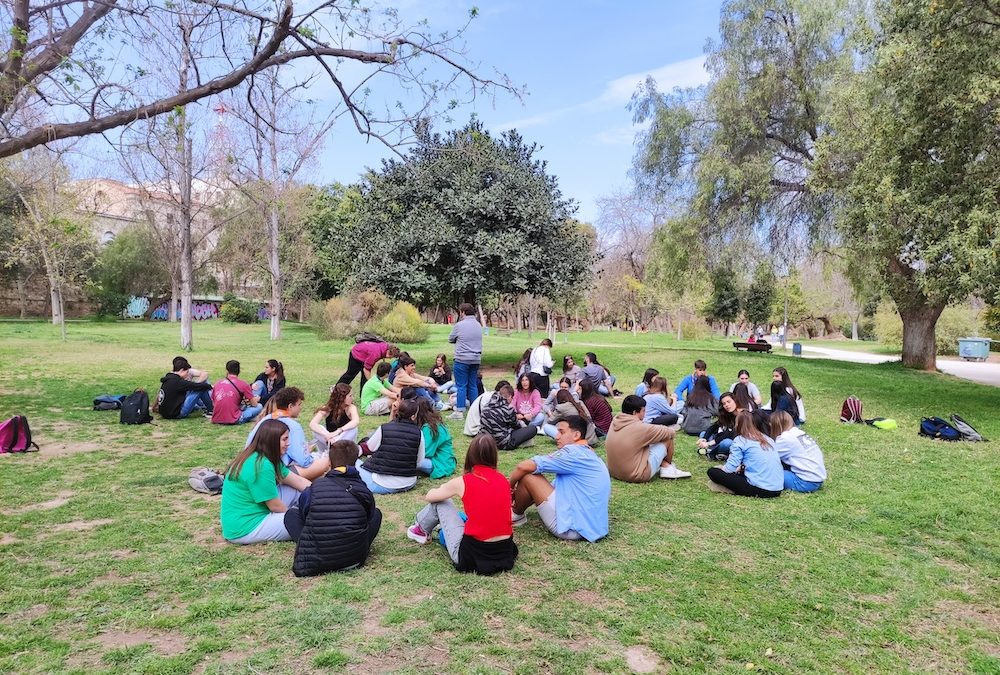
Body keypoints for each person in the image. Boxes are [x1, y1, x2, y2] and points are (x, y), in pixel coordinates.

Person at [406, 434, 518, 574]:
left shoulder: (464, 481)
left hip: (472, 555)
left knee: (442, 501)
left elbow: (430, 496)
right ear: (494, 455)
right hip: (504, 551)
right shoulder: (503, 480)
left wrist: (442, 488)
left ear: (470, 455)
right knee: (465, 516)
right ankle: (425, 529)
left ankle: (420, 529)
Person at [284, 440, 381, 575]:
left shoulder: (314, 488)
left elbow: (305, 513)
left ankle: (310, 545)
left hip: (316, 560)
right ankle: (354, 546)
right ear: (355, 462)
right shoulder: (362, 489)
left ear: (329, 462)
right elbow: (369, 516)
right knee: (376, 514)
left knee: (291, 514)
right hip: (354, 559)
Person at [509, 416, 611, 542]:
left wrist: (508, 488)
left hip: (572, 528)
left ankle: (515, 515)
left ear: (576, 435)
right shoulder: (588, 453)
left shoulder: (572, 453)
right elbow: (553, 488)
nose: (556, 436)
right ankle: (516, 511)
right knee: (535, 477)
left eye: (561, 432)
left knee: (529, 476)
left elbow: (523, 467)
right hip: (594, 527)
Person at [220, 419, 311, 544]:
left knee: (299, 490)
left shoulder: (263, 456)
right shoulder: (261, 465)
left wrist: (323, 493)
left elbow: (298, 481)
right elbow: (275, 506)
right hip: (246, 527)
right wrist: (293, 516)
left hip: (252, 514)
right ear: (272, 440)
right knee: (306, 521)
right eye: (284, 439)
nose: (288, 443)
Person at [246, 387, 331, 481]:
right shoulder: (293, 426)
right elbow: (303, 461)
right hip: (273, 472)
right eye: (299, 405)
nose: (300, 408)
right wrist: (308, 452)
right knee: (326, 462)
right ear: (290, 406)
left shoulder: (265, 419)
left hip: (252, 466)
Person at [606, 395, 690, 481]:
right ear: (635, 412)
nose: (645, 413)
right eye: (643, 410)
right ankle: (667, 468)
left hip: (613, 471)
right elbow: (670, 432)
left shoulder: (615, 421)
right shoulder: (640, 428)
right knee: (667, 438)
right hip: (636, 474)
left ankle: (664, 465)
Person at [707, 411, 783, 498]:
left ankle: (728, 488)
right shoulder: (768, 439)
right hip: (777, 488)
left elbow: (729, 469)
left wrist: (721, 468)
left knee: (713, 472)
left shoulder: (740, 440)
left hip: (760, 489)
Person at [357, 399, 426, 494]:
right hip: (409, 482)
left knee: (354, 462)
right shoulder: (419, 433)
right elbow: (419, 462)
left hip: (381, 484)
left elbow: (370, 448)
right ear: (413, 416)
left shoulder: (384, 428)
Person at [770, 411, 826, 492]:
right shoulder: (799, 433)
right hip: (817, 479)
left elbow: (769, 455)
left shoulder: (785, 438)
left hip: (804, 482)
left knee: (769, 473)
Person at [447, 303, 483, 421]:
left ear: (463, 312)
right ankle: (474, 410)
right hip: (476, 359)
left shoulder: (459, 325)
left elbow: (450, 338)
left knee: (461, 385)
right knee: (472, 384)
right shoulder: (478, 325)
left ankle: (459, 411)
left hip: (462, 358)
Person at [480, 384, 538, 450]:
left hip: (486, 441)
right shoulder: (508, 409)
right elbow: (517, 426)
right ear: (510, 396)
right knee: (533, 429)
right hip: (502, 443)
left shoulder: (486, 407)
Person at [309, 383, 360, 451]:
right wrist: (328, 435)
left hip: (343, 441)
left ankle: (333, 446)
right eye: (350, 396)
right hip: (329, 440)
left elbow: (356, 421)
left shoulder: (351, 408)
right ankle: (329, 448)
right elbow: (312, 424)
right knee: (317, 429)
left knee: (353, 428)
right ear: (342, 398)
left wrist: (338, 431)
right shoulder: (328, 408)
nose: (352, 398)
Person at [211, 360, 262, 425]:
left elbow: (213, 402)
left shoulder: (217, 383)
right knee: (259, 406)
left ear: (227, 370)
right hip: (234, 419)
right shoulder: (243, 384)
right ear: (239, 371)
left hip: (216, 418)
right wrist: (255, 399)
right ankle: (249, 417)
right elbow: (254, 404)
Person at [415, 398, 456, 479]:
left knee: (406, 460)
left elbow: (426, 452)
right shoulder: (431, 423)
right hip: (440, 461)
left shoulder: (429, 428)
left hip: (440, 463)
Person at [697, 392, 738, 460]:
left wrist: (709, 443)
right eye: (724, 404)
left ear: (735, 401)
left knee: (727, 443)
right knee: (703, 434)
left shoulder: (741, 416)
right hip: (718, 439)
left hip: (730, 441)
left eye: (729, 402)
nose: (727, 405)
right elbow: (713, 427)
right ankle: (713, 450)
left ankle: (711, 450)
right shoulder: (726, 414)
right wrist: (704, 438)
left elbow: (730, 434)